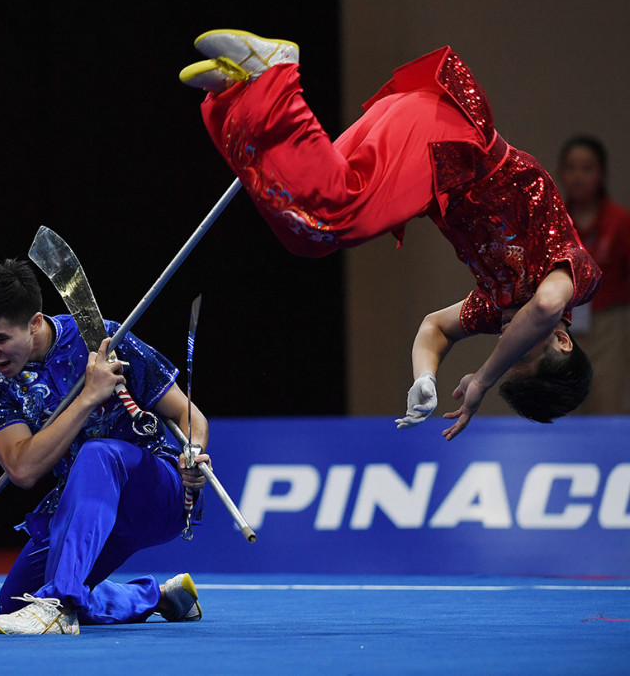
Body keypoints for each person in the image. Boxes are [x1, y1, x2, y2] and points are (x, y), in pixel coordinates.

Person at [179, 30, 601, 439]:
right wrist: (481, 381)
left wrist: (426, 377)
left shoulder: (499, 307)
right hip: (450, 141)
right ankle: (276, 73)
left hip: (422, 139)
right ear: (562, 340)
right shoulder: (575, 281)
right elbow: (546, 305)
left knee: (305, 235)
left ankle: (237, 94)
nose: (507, 340)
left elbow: (434, 328)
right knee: (341, 217)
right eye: (520, 350)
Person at [0, 259, 207, 635]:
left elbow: (191, 419)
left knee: (98, 454)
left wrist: (192, 454)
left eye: (1, 339)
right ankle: (156, 597)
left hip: (156, 493)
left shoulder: (105, 340)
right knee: (17, 601)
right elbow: (22, 469)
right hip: (87, 513)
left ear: (34, 322)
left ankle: (60, 604)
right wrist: (86, 398)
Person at [557, 135, 630, 414]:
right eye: (571, 168)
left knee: (606, 402)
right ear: (562, 173)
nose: (578, 176)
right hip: (564, 323)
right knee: (564, 403)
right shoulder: (556, 219)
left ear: (601, 174)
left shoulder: (618, 221)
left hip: (607, 325)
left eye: (587, 169)